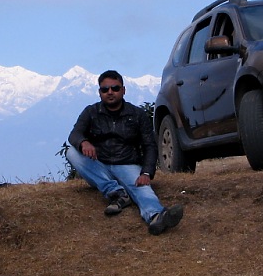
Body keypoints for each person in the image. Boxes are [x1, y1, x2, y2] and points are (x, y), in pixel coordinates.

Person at [67, 69, 183, 235]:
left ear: (123, 90)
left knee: (142, 188)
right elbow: (75, 134)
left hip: (128, 164)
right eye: (105, 89)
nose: (110, 92)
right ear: (99, 92)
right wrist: (83, 142)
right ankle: (116, 191)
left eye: (115, 88)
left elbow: (149, 145)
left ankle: (157, 216)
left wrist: (147, 172)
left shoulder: (137, 114)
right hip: (98, 165)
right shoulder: (91, 112)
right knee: (72, 152)